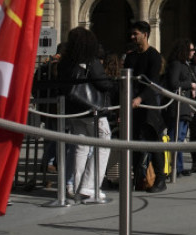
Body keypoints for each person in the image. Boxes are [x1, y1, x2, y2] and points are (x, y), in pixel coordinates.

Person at [58, 27, 114, 201]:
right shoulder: (91, 61)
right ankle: (89, 187)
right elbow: (103, 84)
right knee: (103, 143)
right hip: (92, 109)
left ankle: (74, 185)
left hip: (74, 109)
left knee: (80, 147)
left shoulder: (65, 62)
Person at [124, 20, 167, 192]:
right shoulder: (130, 56)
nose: (132, 37)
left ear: (145, 34)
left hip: (148, 105)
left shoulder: (154, 55)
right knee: (133, 143)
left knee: (153, 143)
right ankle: (137, 178)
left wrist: (140, 99)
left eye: (136, 34)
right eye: (132, 34)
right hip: (131, 105)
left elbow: (153, 83)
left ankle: (160, 179)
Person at [164, 39, 196, 177]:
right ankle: (174, 167)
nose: (193, 52)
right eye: (191, 50)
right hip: (177, 106)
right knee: (175, 137)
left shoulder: (185, 64)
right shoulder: (176, 64)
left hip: (185, 105)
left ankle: (179, 166)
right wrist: (190, 85)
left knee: (181, 137)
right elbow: (173, 83)